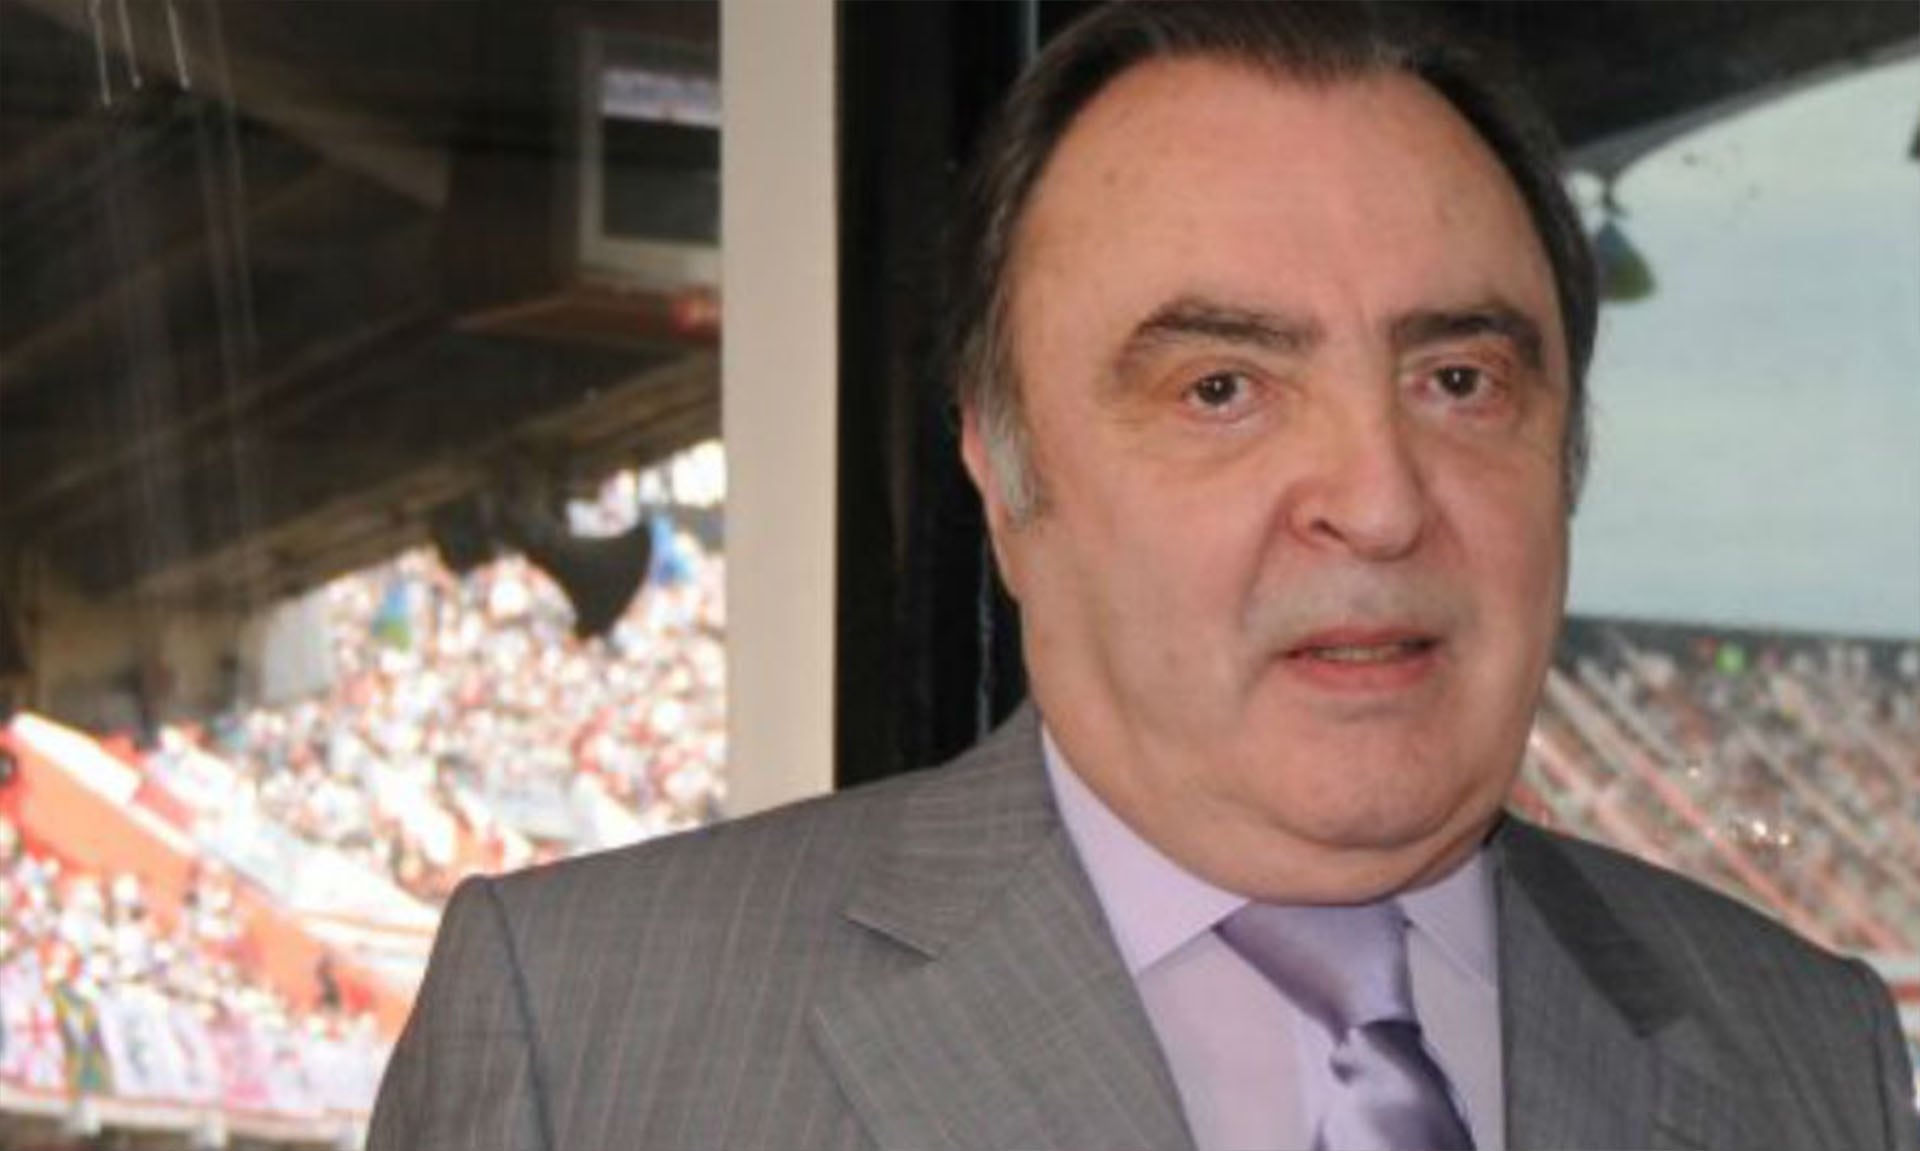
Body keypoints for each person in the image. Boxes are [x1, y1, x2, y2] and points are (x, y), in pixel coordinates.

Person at [367, 4, 1918, 1149]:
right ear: (1004, 473)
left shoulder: (1813, 1059)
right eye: (1222, 390)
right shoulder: (588, 1042)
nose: (1379, 501)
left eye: (1458, 381)